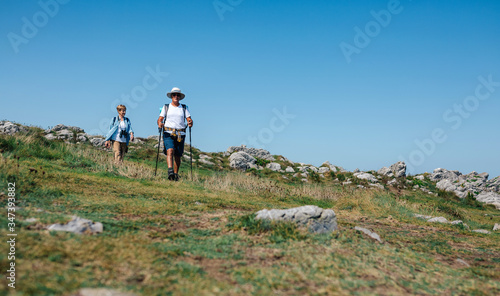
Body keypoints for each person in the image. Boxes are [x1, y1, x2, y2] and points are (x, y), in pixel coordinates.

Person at [157, 87, 193, 181]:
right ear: (171, 96)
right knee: (170, 151)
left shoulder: (184, 108)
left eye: (178, 95)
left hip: (180, 134)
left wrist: (190, 122)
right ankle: (170, 171)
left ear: (180, 97)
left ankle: (175, 175)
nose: (176, 96)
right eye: (174, 95)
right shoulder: (166, 107)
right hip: (168, 132)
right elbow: (160, 118)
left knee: (177, 155)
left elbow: (189, 119)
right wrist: (159, 123)